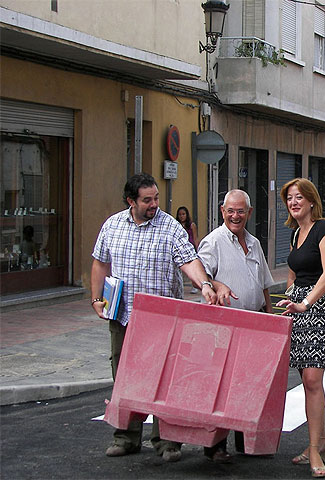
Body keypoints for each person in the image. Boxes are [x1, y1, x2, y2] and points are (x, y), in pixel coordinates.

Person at [91, 173, 231, 462]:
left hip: (164, 321)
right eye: (147, 200)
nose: (154, 203)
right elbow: (100, 262)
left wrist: (204, 284)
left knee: (166, 380)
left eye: (156, 198)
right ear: (131, 201)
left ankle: (167, 442)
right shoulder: (112, 226)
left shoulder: (170, 228)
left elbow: (189, 261)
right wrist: (96, 298)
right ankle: (126, 438)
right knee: (124, 379)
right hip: (124, 316)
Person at [197, 189, 275, 462]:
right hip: (224, 325)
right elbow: (202, 276)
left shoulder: (253, 242)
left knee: (249, 385)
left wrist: (269, 313)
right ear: (222, 212)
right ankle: (215, 446)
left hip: (254, 323)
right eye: (230, 210)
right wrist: (218, 285)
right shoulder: (213, 242)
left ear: (249, 213)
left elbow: (264, 282)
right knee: (221, 387)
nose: (235, 216)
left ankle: (245, 442)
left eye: (240, 211)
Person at [275, 178, 325, 479]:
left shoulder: (323, 230)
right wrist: (289, 300)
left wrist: (306, 302)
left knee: (313, 378)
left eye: (299, 197)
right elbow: (292, 275)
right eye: (289, 198)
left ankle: (313, 449)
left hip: (322, 309)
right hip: (298, 309)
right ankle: (321, 441)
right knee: (307, 379)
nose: (294, 202)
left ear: (312, 201)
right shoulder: (294, 234)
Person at [176, 206, 199, 293]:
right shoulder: (177, 225)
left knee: (192, 269)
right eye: (180, 214)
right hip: (179, 249)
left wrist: (197, 249)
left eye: (183, 214)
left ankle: (195, 285)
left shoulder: (191, 225)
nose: (182, 216)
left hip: (190, 248)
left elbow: (195, 237)